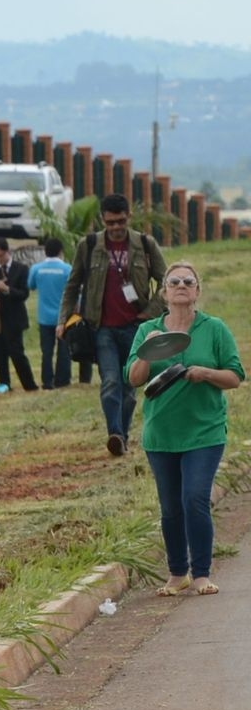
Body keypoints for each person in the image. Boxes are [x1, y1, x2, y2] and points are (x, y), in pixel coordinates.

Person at [127, 262, 241, 597]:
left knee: (194, 497)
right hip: (161, 433)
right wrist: (147, 350)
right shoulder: (148, 329)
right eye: (174, 281)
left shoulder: (214, 329)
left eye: (188, 282)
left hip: (205, 430)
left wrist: (206, 373)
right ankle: (177, 574)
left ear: (197, 291)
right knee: (171, 506)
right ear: (163, 291)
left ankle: (202, 573)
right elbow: (133, 379)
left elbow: (235, 376)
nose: (181, 286)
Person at [59, 193, 167, 457]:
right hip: (101, 328)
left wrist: (149, 313)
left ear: (129, 217)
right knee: (110, 381)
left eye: (120, 221)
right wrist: (63, 320)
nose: (116, 228)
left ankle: (123, 435)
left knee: (129, 386)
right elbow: (73, 284)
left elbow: (166, 282)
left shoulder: (145, 244)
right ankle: (115, 434)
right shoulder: (89, 245)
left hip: (136, 327)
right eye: (110, 223)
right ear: (102, 220)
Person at [0, 237, 37, 394]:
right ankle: (4, 383)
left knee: (17, 352)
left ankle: (29, 384)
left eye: (0, 256)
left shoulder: (21, 269)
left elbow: (24, 293)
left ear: (7, 252)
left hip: (14, 317)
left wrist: (7, 289)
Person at [28, 238, 76, 388]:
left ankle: (47, 381)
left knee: (46, 352)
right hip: (63, 317)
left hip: (44, 317)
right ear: (61, 251)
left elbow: (31, 285)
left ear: (45, 251)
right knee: (64, 351)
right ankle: (62, 380)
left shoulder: (36, 269)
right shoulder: (67, 269)